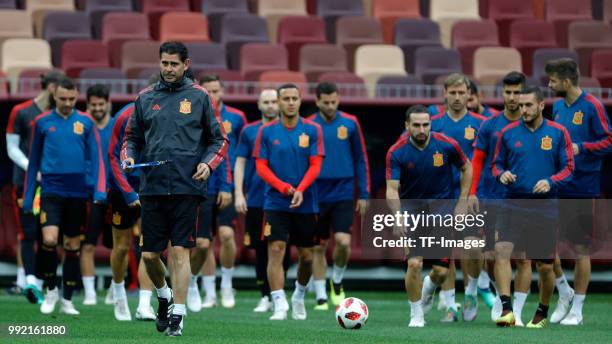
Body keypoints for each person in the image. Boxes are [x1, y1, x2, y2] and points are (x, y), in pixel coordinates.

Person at [123, 41, 228, 336]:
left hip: (187, 187)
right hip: (152, 187)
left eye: (174, 64)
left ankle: (178, 317)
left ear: (185, 64)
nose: (168, 69)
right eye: (164, 63)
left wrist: (208, 165)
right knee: (149, 256)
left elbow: (218, 141)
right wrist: (129, 157)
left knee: (179, 252)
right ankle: (165, 296)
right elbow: (132, 137)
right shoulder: (144, 98)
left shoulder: (200, 96)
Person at [492, 86, 574, 328]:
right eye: (520, 105)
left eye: (528, 105)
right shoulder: (507, 133)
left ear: (541, 106)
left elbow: (569, 168)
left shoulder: (559, 133)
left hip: (544, 208)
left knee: (545, 266)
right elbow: (495, 165)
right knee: (502, 252)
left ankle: (542, 311)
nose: (522, 109)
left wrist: (550, 181)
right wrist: (502, 174)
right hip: (511, 204)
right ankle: (506, 309)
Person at [23, 76, 106, 316]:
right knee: (49, 240)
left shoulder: (86, 122)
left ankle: (67, 299)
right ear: (54, 97)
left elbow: (96, 159)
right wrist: (29, 198)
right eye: (63, 99)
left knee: (72, 245)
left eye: (72, 98)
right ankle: (50, 290)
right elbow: (33, 164)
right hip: (51, 189)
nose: (68, 103)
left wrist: (98, 190)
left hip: (78, 192)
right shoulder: (41, 123)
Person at [386, 104, 472, 327]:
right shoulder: (397, 152)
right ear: (407, 126)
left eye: (426, 124)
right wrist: (397, 216)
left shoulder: (447, 145)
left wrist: (463, 201)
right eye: (416, 125)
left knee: (441, 272)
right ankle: (416, 314)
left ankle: (428, 289)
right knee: (414, 263)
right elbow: (392, 188)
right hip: (411, 212)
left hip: (441, 212)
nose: (422, 129)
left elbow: (467, 168)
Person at [545, 58, 612, 325]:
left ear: (567, 80)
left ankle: (578, 310)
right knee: (547, 245)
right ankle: (564, 291)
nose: (549, 85)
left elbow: (609, 140)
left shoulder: (593, 105)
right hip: (559, 183)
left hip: (583, 185)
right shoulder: (558, 106)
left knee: (580, 247)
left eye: (553, 80)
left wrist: (582, 148)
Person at [253, 83, 324, 321]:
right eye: (286, 98)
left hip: (306, 201)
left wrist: (300, 189)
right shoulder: (267, 131)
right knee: (276, 249)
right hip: (275, 201)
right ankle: (279, 302)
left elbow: (316, 164)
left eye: (295, 98)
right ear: (280, 102)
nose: (291, 102)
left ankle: (299, 296)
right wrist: (284, 187)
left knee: (306, 256)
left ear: (300, 100)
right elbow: (261, 167)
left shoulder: (312, 129)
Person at [469, 71, 533, 326]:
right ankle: (501, 297)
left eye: (517, 92)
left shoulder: (536, 125)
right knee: (493, 256)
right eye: (508, 92)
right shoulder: (490, 124)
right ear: (502, 94)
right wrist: (472, 191)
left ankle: (515, 310)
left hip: (524, 201)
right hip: (491, 196)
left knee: (525, 257)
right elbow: (477, 159)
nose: (513, 97)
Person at [308, 82, 370, 310]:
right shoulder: (309, 125)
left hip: (343, 191)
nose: (331, 106)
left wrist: (364, 193)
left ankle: (337, 281)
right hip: (315, 194)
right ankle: (321, 296)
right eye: (326, 102)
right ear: (317, 102)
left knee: (343, 242)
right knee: (318, 247)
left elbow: (360, 158)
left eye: (334, 101)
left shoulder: (351, 123)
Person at [5, 70, 64, 303]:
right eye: (60, 92)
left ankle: (40, 282)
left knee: (49, 236)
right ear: (51, 88)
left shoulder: (59, 115)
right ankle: (27, 280)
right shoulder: (20, 111)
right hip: (26, 184)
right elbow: (12, 148)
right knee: (27, 232)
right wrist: (32, 169)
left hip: (53, 184)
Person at [432, 73, 486, 322]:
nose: (456, 97)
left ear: (469, 95)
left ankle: (472, 293)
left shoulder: (481, 124)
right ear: (444, 94)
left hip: (471, 196)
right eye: (451, 93)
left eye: (461, 93)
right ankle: (450, 305)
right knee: (446, 252)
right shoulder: (431, 124)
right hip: (440, 197)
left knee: (472, 249)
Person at [235, 88, 290, 312]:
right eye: (265, 102)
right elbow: (240, 162)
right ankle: (265, 295)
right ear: (258, 105)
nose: (269, 106)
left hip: (282, 198)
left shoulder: (289, 129)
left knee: (282, 247)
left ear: (278, 104)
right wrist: (239, 192)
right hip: (257, 198)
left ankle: (279, 292)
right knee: (260, 249)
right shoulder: (248, 131)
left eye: (273, 102)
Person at [196, 74, 247, 309]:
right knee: (203, 242)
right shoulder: (194, 116)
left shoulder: (237, 118)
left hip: (226, 184)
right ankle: (209, 292)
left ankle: (227, 285)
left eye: (216, 91)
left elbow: (239, 153)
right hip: (202, 186)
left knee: (226, 236)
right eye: (208, 91)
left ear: (223, 92)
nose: (212, 95)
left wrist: (231, 187)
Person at [108, 102, 156, 321]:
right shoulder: (123, 116)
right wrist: (128, 193)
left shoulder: (166, 113)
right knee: (121, 247)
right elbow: (112, 156)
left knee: (149, 247)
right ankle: (119, 294)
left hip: (151, 188)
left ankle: (144, 304)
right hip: (122, 189)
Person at [80, 84, 115, 307]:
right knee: (88, 244)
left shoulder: (117, 126)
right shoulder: (82, 127)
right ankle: (90, 294)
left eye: (101, 104)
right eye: (93, 105)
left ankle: (115, 289)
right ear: (88, 105)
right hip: (91, 195)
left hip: (116, 194)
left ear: (108, 104)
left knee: (119, 246)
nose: (98, 108)